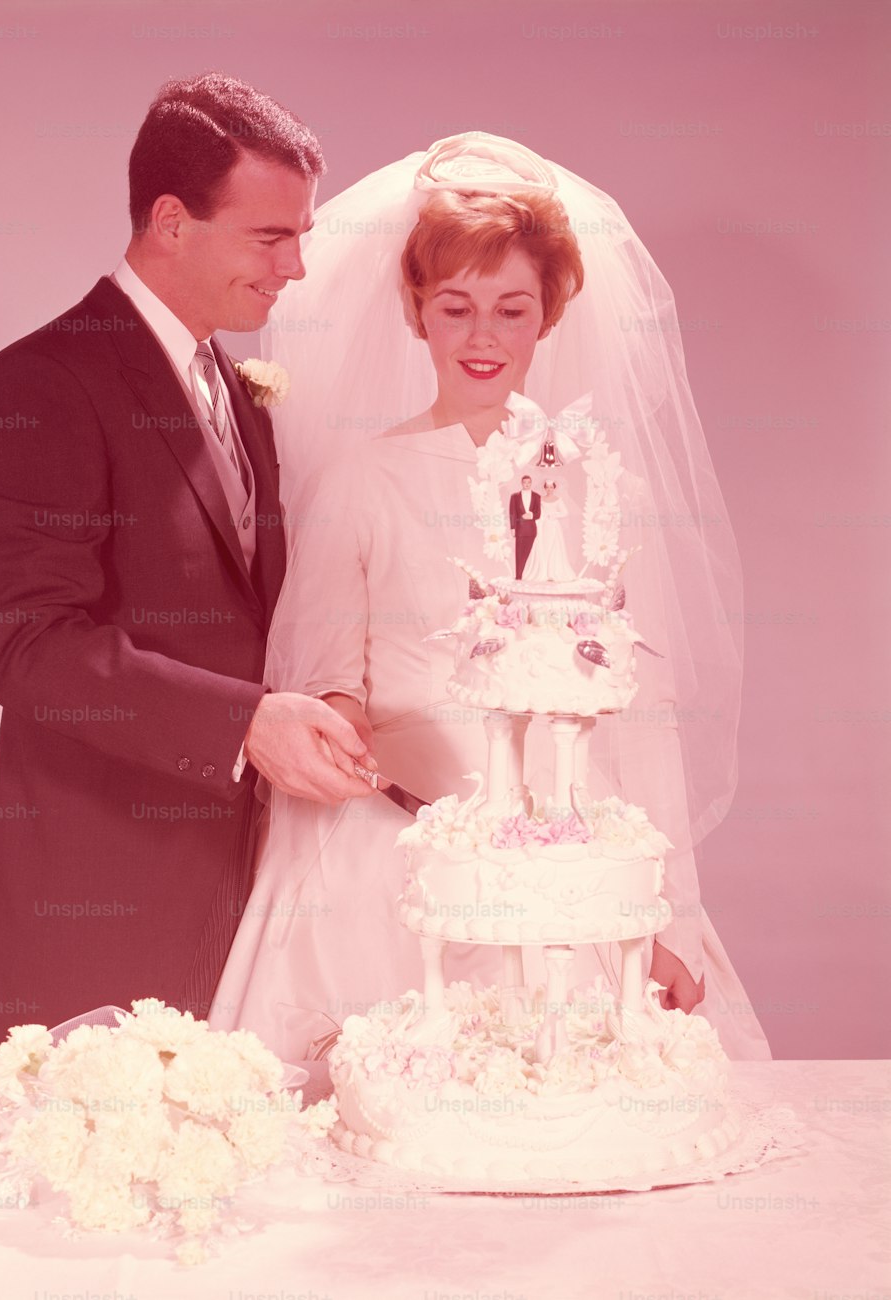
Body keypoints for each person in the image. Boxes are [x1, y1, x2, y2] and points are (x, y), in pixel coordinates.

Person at [210, 134, 770, 1062]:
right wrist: (366, 752)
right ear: (417, 313)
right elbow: (323, 683)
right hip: (394, 850)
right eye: (455, 307)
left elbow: (640, 713)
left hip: (570, 856)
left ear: (548, 317)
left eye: (511, 309)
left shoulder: (597, 486)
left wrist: (671, 907)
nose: (482, 337)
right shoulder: (362, 479)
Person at [0, 74, 375, 1058]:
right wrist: (244, 723)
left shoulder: (241, 390)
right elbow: (24, 641)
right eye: (272, 237)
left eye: (302, 236)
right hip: (94, 899)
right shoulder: (41, 383)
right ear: (172, 223)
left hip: (241, 894)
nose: (298, 269)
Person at [522, 478, 574, 582]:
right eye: (547, 487)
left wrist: (554, 515)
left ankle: (552, 572)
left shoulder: (558, 499)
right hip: (542, 526)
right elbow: (537, 511)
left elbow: (565, 512)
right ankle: (543, 571)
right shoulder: (540, 499)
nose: (549, 489)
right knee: (542, 546)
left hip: (553, 526)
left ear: (554, 488)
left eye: (551, 487)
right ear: (544, 488)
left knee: (552, 547)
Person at [509, 474, 541, 578]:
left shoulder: (537, 496)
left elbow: (538, 513)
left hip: (531, 530)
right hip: (520, 529)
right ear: (521, 483)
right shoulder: (515, 496)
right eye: (524, 482)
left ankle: (525, 575)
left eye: (528, 482)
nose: (526, 484)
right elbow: (512, 513)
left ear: (531, 483)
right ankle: (518, 576)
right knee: (519, 554)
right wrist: (513, 528)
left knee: (527, 553)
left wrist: (531, 515)